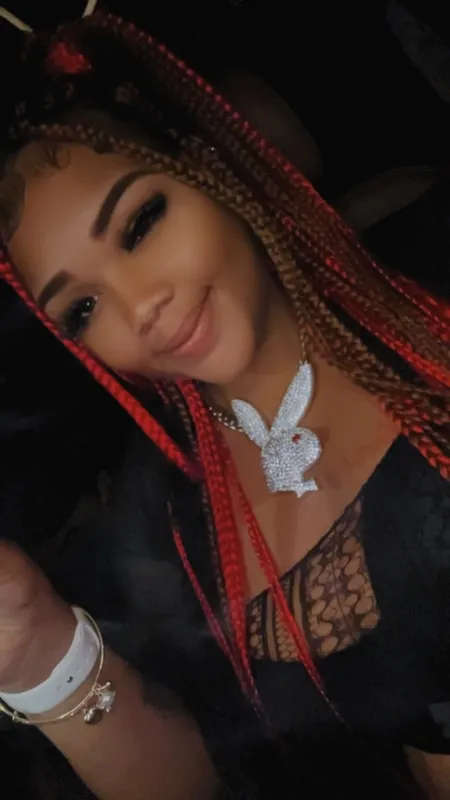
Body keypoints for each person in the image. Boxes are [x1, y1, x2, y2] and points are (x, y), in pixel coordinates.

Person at [0, 5, 450, 800]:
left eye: (141, 223)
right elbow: (200, 779)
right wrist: (38, 652)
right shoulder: (166, 526)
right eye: (83, 308)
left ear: (206, 167)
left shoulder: (427, 268)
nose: (139, 305)